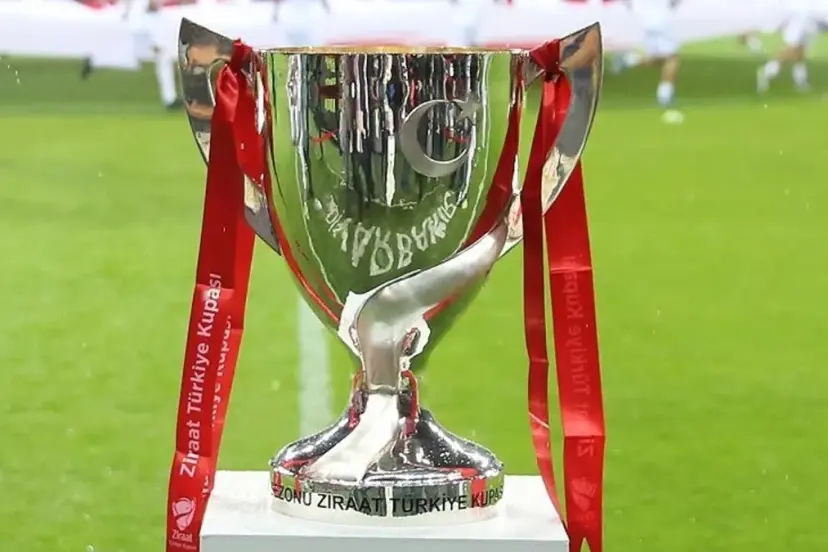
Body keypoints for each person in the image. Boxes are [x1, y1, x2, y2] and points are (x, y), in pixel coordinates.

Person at [618, 0, 684, 123]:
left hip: (646, 21)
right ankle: (665, 94)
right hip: (661, 20)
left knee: (659, 58)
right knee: (671, 58)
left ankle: (630, 60)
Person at [757, 0, 821, 93]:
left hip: (808, 22)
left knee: (800, 56)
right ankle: (765, 73)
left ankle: (800, 83)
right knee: (789, 52)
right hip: (799, 21)